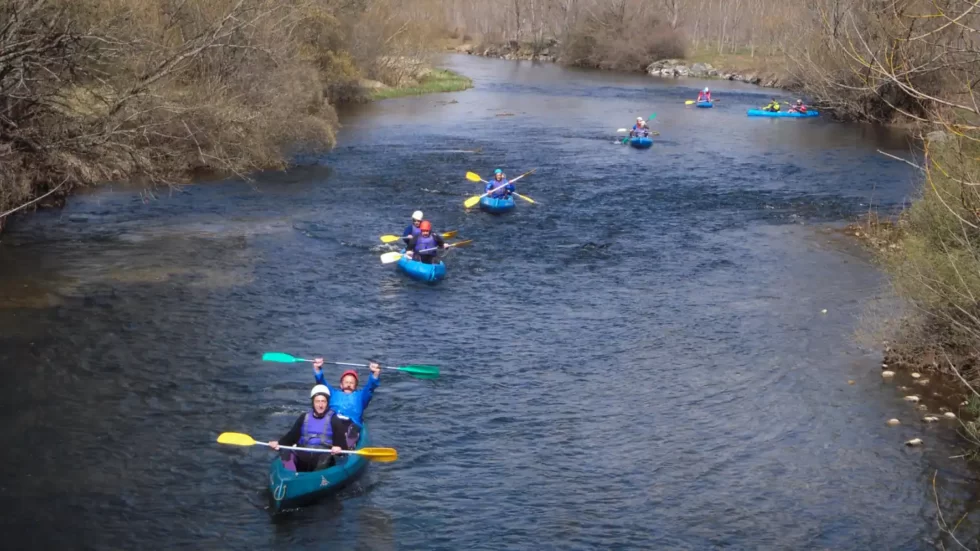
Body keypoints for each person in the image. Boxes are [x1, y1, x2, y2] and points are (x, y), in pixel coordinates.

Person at [269, 385, 342, 472]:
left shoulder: (334, 419)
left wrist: (339, 448)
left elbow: (341, 441)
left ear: (327, 403)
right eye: (317, 401)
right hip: (304, 454)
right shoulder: (304, 417)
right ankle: (290, 477)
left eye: (323, 401)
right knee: (286, 452)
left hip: (323, 456)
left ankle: (316, 480)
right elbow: (292, 436)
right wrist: (279, 443)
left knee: (326, 458)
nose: (320, 405)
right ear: (313, 403)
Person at [312, 358, 381, 450]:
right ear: (341, 385)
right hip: (332, 424)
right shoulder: (333, 393)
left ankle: (346, 447)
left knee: (349, 431)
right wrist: (317, 368)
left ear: (356, 386)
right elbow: (321, 382)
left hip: (351, 427)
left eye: (352, 382)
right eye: (346, 382)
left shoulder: (361, 396)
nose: (348, 384)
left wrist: (374, 373)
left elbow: (370, 387)